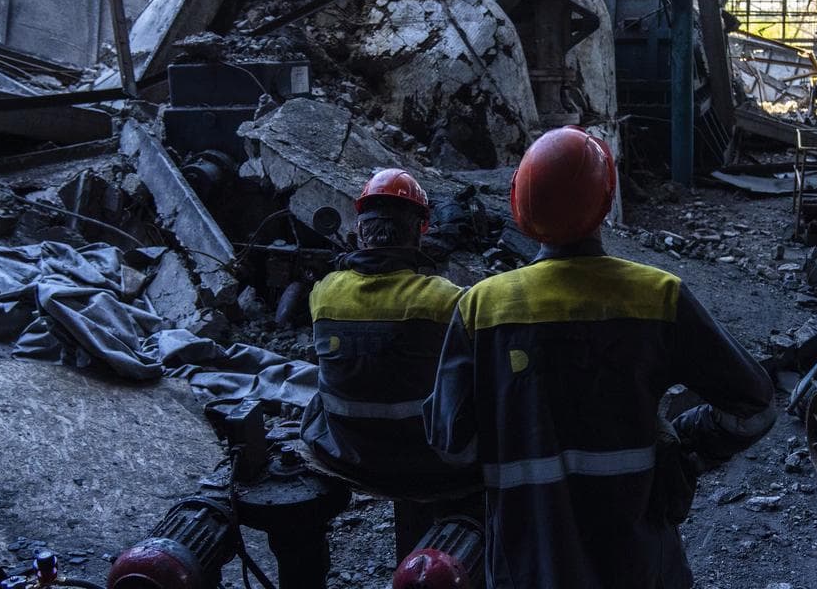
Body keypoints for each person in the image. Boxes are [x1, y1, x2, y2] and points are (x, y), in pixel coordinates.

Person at [425, 127, 777, 589]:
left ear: (519, 205)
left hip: (526, 564)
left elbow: (452, 445)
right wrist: (687, 443)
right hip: (638, 563)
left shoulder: (480, 308)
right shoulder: (659, 296)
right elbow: (755, 407)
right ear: (606, 202)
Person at [299, 168, 480, 556]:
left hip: (344, 451)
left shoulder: (323, 293)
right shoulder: (447, 299)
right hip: (426, 460)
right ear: (420, 230)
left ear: (360, 231)